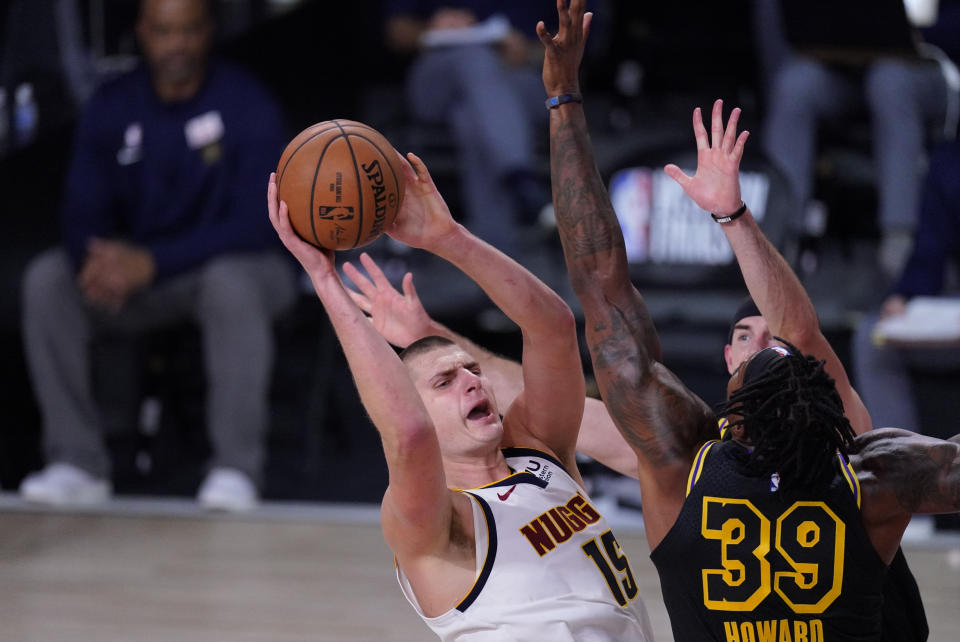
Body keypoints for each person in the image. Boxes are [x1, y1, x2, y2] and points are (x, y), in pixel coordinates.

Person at [536, 1, 959, 639]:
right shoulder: (872, 475)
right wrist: (733, 217)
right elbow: (803, 335)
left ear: (727, 403)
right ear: (827, 395)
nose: (768, 342)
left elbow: (599, 287)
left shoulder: (681, 464)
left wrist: (563, 99)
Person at [267, 152, 653, 639]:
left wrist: (448, 239)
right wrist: (327, 280)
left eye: (471, 370)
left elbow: (552, 327)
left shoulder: (542, 453)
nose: (472, 380)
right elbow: (407, 432)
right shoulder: (440, 522)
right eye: (444, 383)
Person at [18, 0, 295, 511]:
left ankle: (235, 469)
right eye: (164, 32)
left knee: (228, 283)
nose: (177, 45)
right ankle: (77, 461)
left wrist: (150, 262)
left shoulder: (245, 101)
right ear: (143, 34)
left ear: (207, 32)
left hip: (246, 269)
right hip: (148, 277)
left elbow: (258, 223)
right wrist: (99, 261)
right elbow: (80, 208)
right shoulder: (114, 102)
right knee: (48, 279)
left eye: (188, 31)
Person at [756, 0, 960, 276]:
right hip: (850, 68)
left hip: (932, 68)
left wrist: (919, 35)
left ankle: (900, 244)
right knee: (795, 87)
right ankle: (779, 238)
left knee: (889, 83)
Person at [382, 1, 552, 256]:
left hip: (516, 78)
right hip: (438, 77)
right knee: (475, 59)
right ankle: (519, 175)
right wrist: (431, 28)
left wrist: (526, 50)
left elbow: (579, 39)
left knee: (471, 118)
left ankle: (496, 259)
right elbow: (396, 32)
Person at [853, 140, 960, 433]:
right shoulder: (950, 159)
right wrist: (905, 295)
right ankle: (900, 468)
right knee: (874, 338)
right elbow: (930, 248)